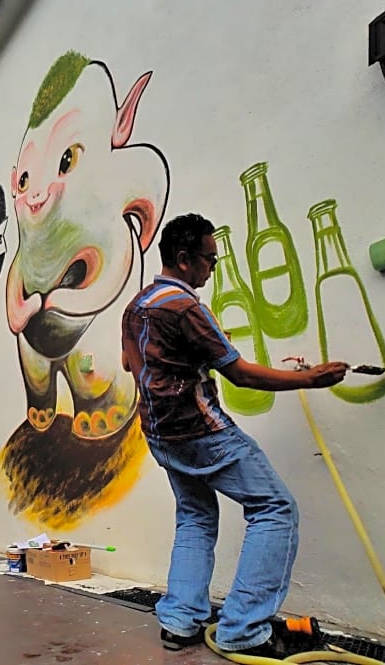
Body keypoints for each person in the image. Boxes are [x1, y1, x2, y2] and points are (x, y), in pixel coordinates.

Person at [120, 213, 349, 654]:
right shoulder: (186, 307)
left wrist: (193, 351)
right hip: (202, 433)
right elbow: (242, 375)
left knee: (196, 517)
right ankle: (244, 632)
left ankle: (180, 622)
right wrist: (310, 380)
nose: (213, 266)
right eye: (209, 259)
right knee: (275, 508)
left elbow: (132, 363)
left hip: (161, 436)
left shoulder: (137, 305)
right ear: (184, 259)